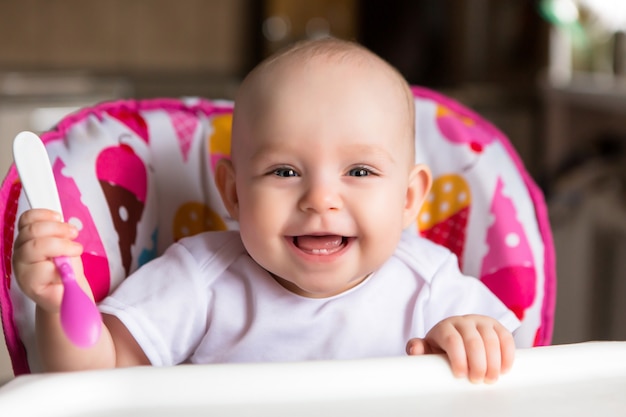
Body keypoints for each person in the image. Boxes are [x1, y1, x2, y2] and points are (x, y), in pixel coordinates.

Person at [13, 37, 519, 383]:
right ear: (234, 193)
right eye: (284, 171)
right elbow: (97, 377)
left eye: (359, 172)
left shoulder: (432, 287)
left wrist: (474, 346)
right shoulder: (201, 280)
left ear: (409, 199)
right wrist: (61, 306)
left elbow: (523, 379)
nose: (320, 199)